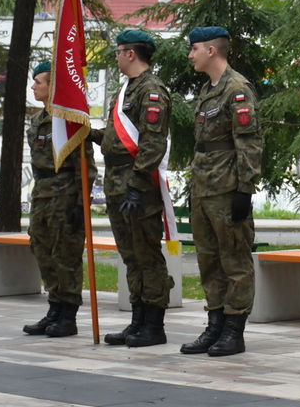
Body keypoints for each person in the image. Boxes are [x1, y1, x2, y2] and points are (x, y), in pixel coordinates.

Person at [180, 27, 263, 358]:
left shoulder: (237, 90)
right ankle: (215, 324)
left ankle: (233, 330)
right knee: (209, 260)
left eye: (195, 48)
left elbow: (249, 142)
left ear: (211, 51)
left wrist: (245, 188)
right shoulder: (207, 90)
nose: (190, 54)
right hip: (204, 188)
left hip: (228, 188)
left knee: (235, 260)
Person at [98, 30, 174, 347]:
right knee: (130, 255)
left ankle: (154, 325)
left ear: (131, 54)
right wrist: (91, 133)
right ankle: (137, 320)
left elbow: (152, 142)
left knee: (146, 255)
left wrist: (137, 184)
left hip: (137, 183)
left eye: (118, 52)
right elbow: (118, 136)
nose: (115, 57)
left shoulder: (152, 91)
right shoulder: (126, 89)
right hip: (117, 180)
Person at [22, 61, 96, 338]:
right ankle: (54, 306)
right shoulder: (38, 119)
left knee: (66, 254)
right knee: (42, 249)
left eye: (39, 81)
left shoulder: (71, 120)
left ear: (53, 86)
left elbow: (86, 165)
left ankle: (68, 313)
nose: (34, 86)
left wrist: (81, 203)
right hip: (42, 192)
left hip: (65, 194)